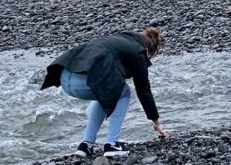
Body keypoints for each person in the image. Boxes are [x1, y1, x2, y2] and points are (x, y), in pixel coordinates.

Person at [40, 22, 169, 157]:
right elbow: (143, 90)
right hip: (83, 82)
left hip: (64, 77)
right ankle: (112, 145)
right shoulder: (138, 51)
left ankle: (85, 145)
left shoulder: (116, 41)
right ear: (149, 50)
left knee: (106, 90)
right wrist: (156, 121)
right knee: (123, 91)